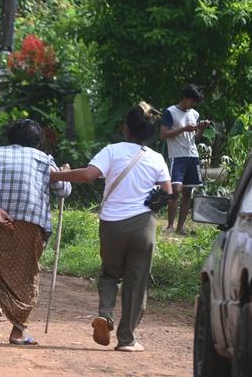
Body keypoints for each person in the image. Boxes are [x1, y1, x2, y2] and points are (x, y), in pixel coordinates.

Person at [51, 103, 173, 352]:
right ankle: (127, 339)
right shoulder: (157, 158)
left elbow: (87, 175)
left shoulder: (112, 151)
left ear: (126, 128)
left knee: (109, 274)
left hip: (112, 225)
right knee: (136, 282)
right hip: (143, 226)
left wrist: (57, 176)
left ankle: (105, 314)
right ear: (149, 133)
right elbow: (168, 193)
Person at [0, 119, 71, 346]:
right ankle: (18, 332)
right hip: (30, 219)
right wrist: (65, 172)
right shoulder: (44, 160)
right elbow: (63, 190)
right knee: (27, 272)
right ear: (37, 141)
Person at [161, 84, 210, 234]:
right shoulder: (170, 112)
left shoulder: (194, 114)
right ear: (186, 98)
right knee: (176, 190)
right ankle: (170, 225)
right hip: (177, 155)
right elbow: (163, 134)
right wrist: (184, 129)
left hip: (192, 155)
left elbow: (193, 139)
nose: (193, 104)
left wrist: (200, 128)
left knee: (188, 192)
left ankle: (180, 227)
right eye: (192, 101)